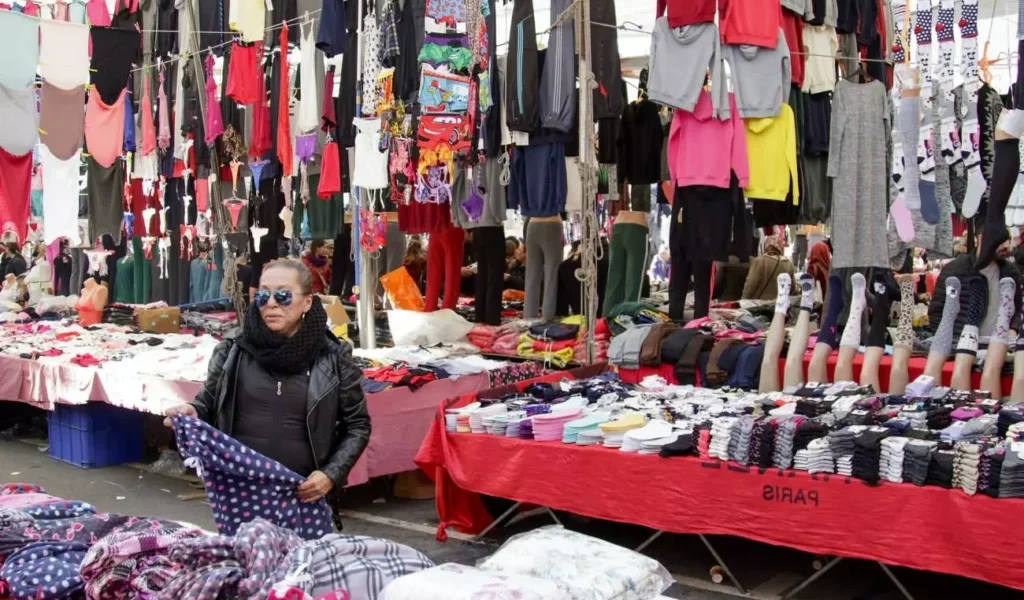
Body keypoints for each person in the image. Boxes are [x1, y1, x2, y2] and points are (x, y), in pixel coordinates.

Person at [164, 259, 370, 515]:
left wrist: (330, 474)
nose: (271, 303)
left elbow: (357, 425)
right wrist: (192, 411)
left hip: (304, 497)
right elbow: (207, 402)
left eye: (283, 295)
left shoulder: (333, 356)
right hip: (239, 494)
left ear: (307, 301)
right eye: (263, 295)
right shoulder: (233, 349)